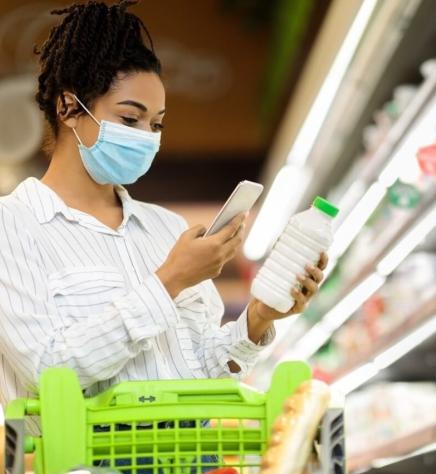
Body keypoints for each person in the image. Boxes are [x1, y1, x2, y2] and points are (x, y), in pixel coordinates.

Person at [0, 0, 327, 416]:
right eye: (130, 119)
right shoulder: (11, 226)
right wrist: (169, 280)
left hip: (191, 468)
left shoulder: (167, 228)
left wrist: (259, 317)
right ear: (67, 108)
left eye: (157, 124)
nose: (147, 138)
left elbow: (206, 372)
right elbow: (48, 371)